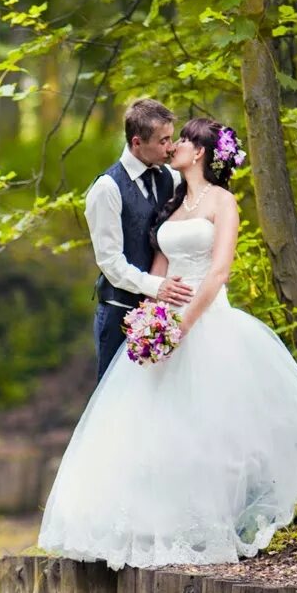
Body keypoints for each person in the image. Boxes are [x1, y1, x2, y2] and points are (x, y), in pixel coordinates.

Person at [37, 117, 297, 570]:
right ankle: (150, 522)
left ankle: (214, 522)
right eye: (169, 140)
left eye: (182, 140)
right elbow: (160, 268)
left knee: (208, 427)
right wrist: (155, 321)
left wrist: (183, 325)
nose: (174, 148)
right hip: (165, 319)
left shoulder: (223, 202)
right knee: (150, 426)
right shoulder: (170, 199)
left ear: (201, 152)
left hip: (208, 321)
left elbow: (219, 272)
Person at [85, 99, 196, 384]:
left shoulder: (169, 179)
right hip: (118, 314)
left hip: (164, 317)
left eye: (171, 139)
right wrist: (156, 286)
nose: (170, 147)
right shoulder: (107, 189)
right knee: (114, 401)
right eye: (163, 141)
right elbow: (110, 262)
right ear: (137, 142)